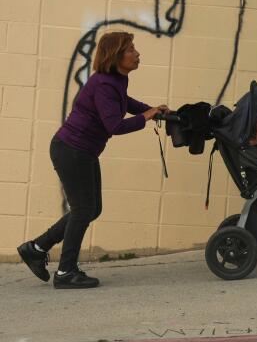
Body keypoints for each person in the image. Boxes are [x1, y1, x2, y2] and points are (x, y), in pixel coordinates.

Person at [17, 31, 168, 289]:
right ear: (116, 55)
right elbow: (115, 126)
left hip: (80, 151)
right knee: (83, 209)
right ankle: (65, 271)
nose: (137, 53)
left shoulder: (115, 81)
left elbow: (125, 102)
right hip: (72, 150)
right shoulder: (105, 84)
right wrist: (146, 116)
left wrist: (151, 110)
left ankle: (37, 248)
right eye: (131, 49)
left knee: (91, 208)